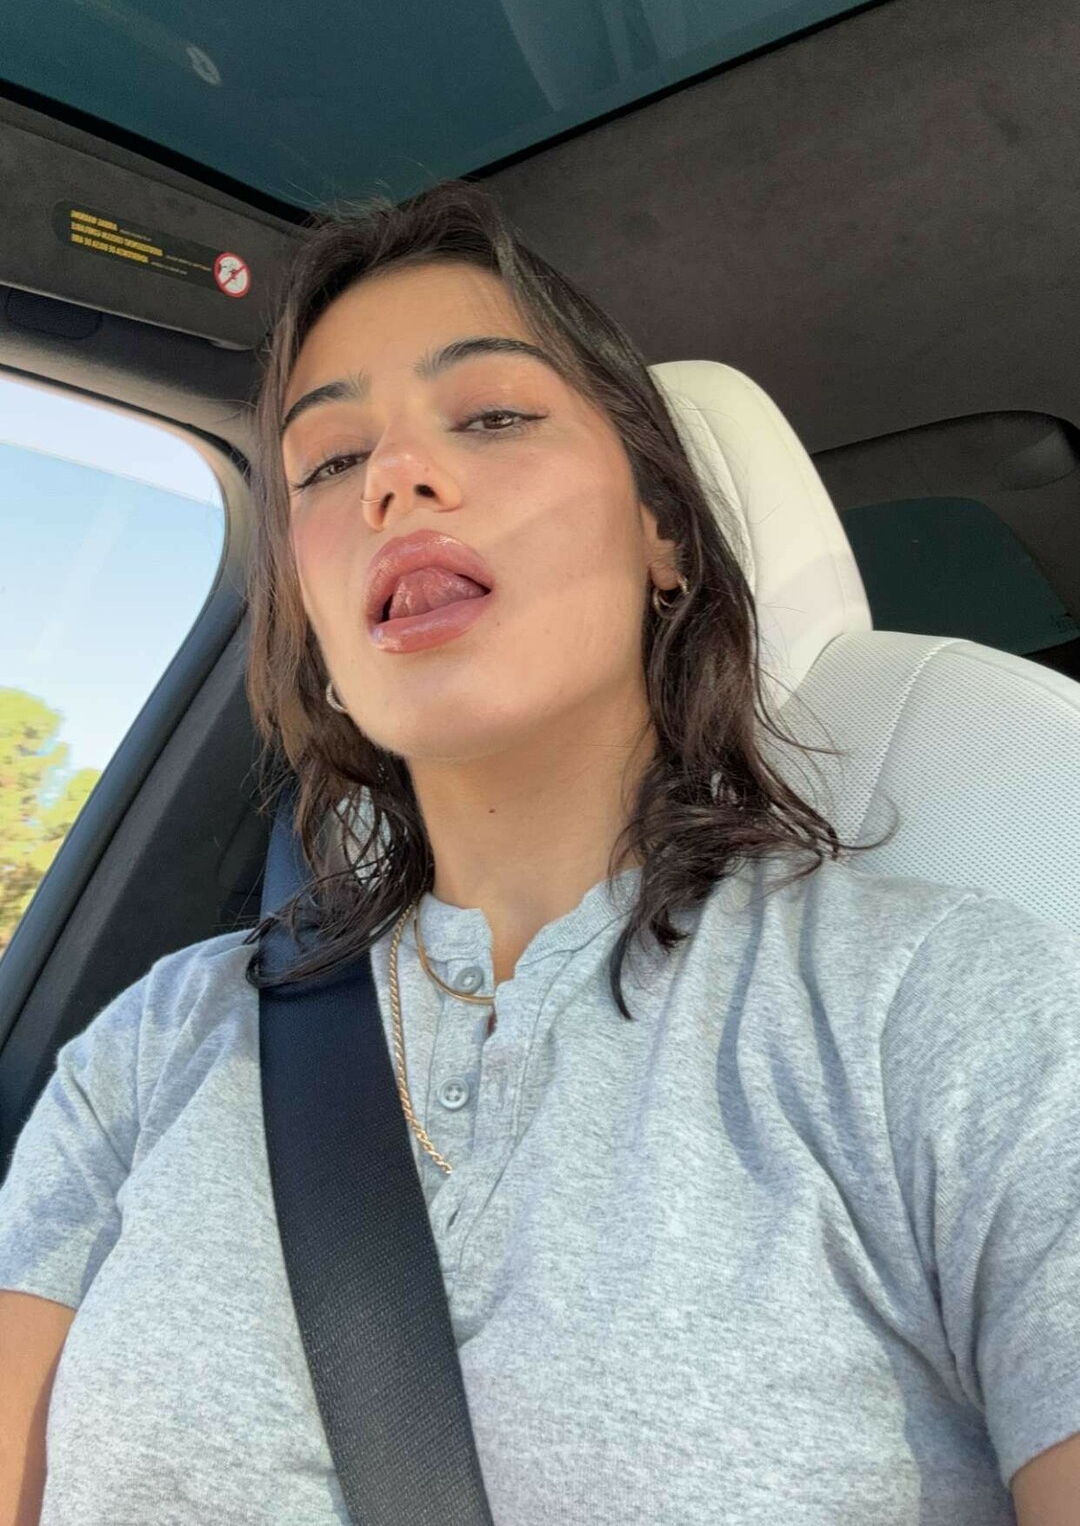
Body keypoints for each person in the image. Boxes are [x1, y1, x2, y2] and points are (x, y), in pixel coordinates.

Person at [2, 177, 1080, 1525]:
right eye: (330, 462)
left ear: (663, 533)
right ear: (312, 614)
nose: (396, 478)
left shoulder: (949, 1013)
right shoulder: (155, 1044)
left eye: (494, 415)